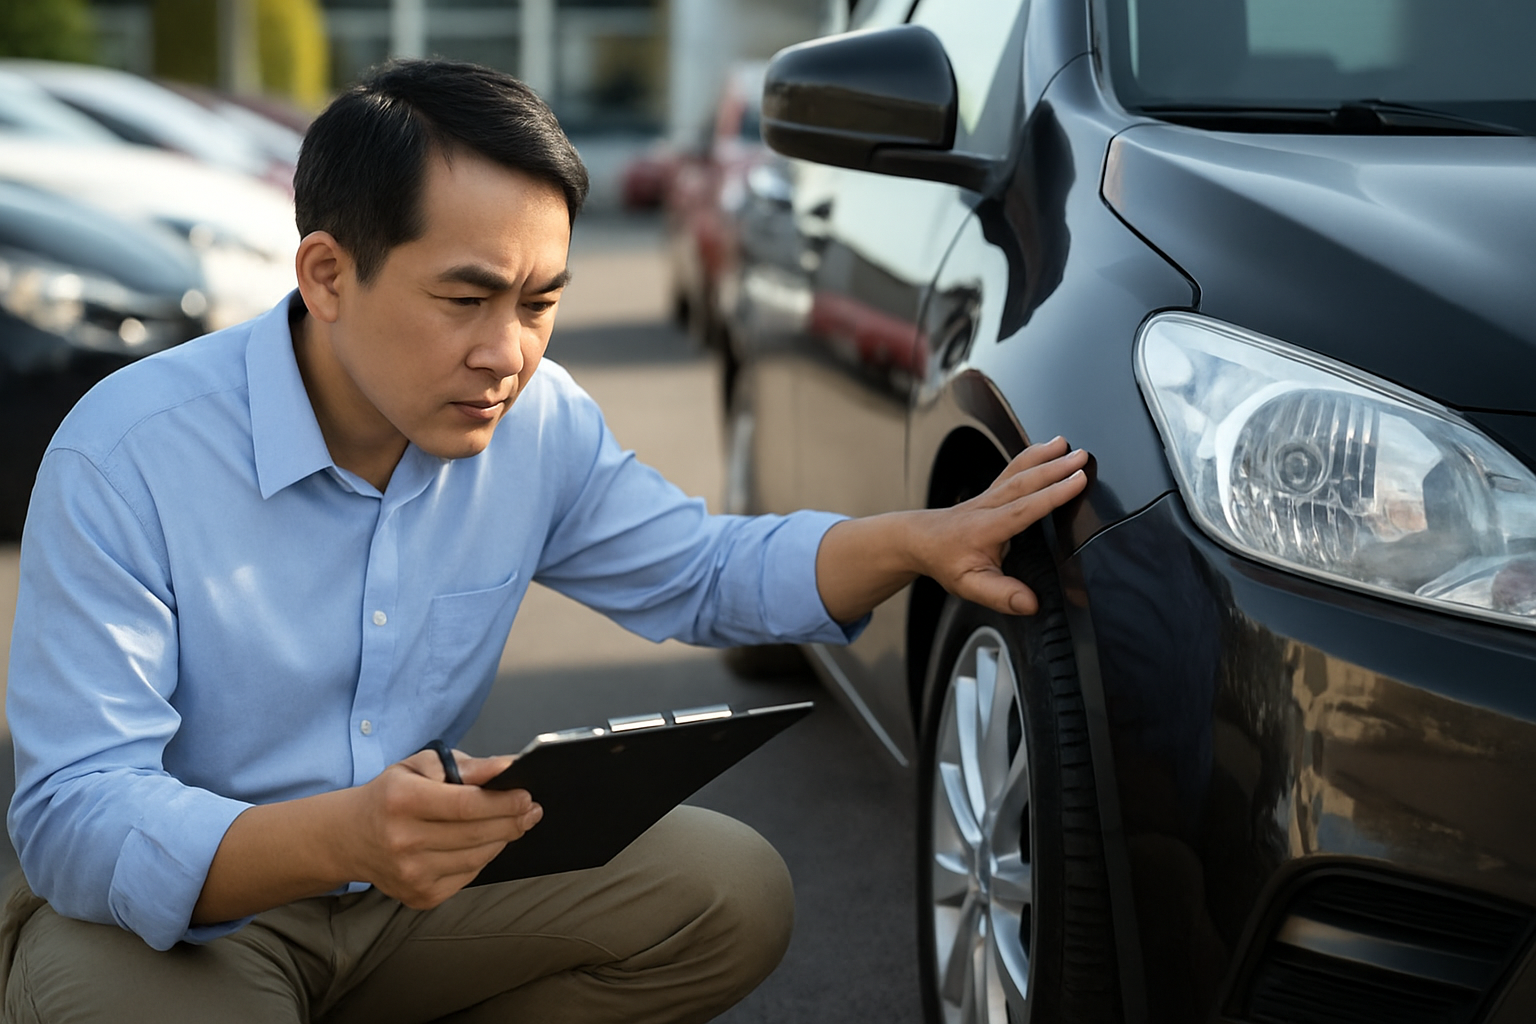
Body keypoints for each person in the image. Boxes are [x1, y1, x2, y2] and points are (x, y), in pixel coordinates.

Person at [0, 60, 1088, 1023]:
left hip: (412, 890)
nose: (507, 353)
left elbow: (703, 571)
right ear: (327, 276)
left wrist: (918, 539)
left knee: (728, 892)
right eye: (466, 298)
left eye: (540, 302)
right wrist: (344, 837)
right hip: (185, 921)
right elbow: (75, 808)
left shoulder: (537, 421)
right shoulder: (129, 452)